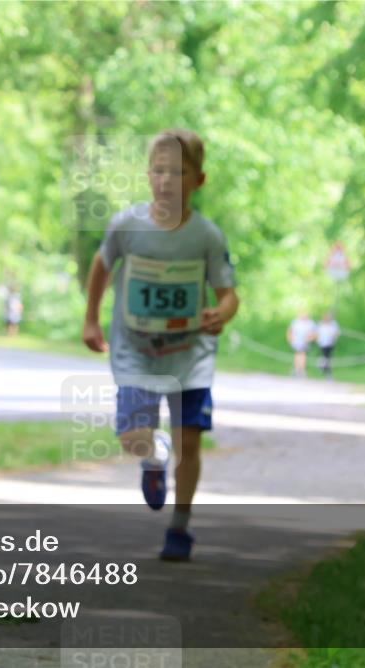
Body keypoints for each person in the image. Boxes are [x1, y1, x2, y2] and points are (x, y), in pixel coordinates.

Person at [82, 129, 238, 561]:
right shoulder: (127, 226)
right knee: (134, 435)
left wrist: (222, 312)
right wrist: (91, 317)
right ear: (148, 175)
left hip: (191, 357)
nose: (167, 181)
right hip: (136, 351)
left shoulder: (206, 236)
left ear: (199, 180)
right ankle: (152, 460)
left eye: (179, 172)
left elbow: (229, 293)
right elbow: (101, 266)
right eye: (159, 170)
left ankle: (180, 527)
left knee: (191, 441)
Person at [287, 312, 316, 377]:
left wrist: (310, 338)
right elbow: (290, 330)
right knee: (298, 354)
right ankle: (297, 369)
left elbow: (314, 333)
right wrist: (290, 338)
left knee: (302, 354)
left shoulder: (310, 323)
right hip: (296, 342)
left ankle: (301, 370)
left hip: (305, 342)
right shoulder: (295, 322)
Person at [315, 312, 341, 378]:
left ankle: (324, 368)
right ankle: (325, 369)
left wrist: (334, 337)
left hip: (330, 343)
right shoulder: (321, 324)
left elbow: (337, 333)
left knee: (328, 356)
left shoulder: (333, 324)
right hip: (322, 343)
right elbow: (317, 333)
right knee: (325, 355)